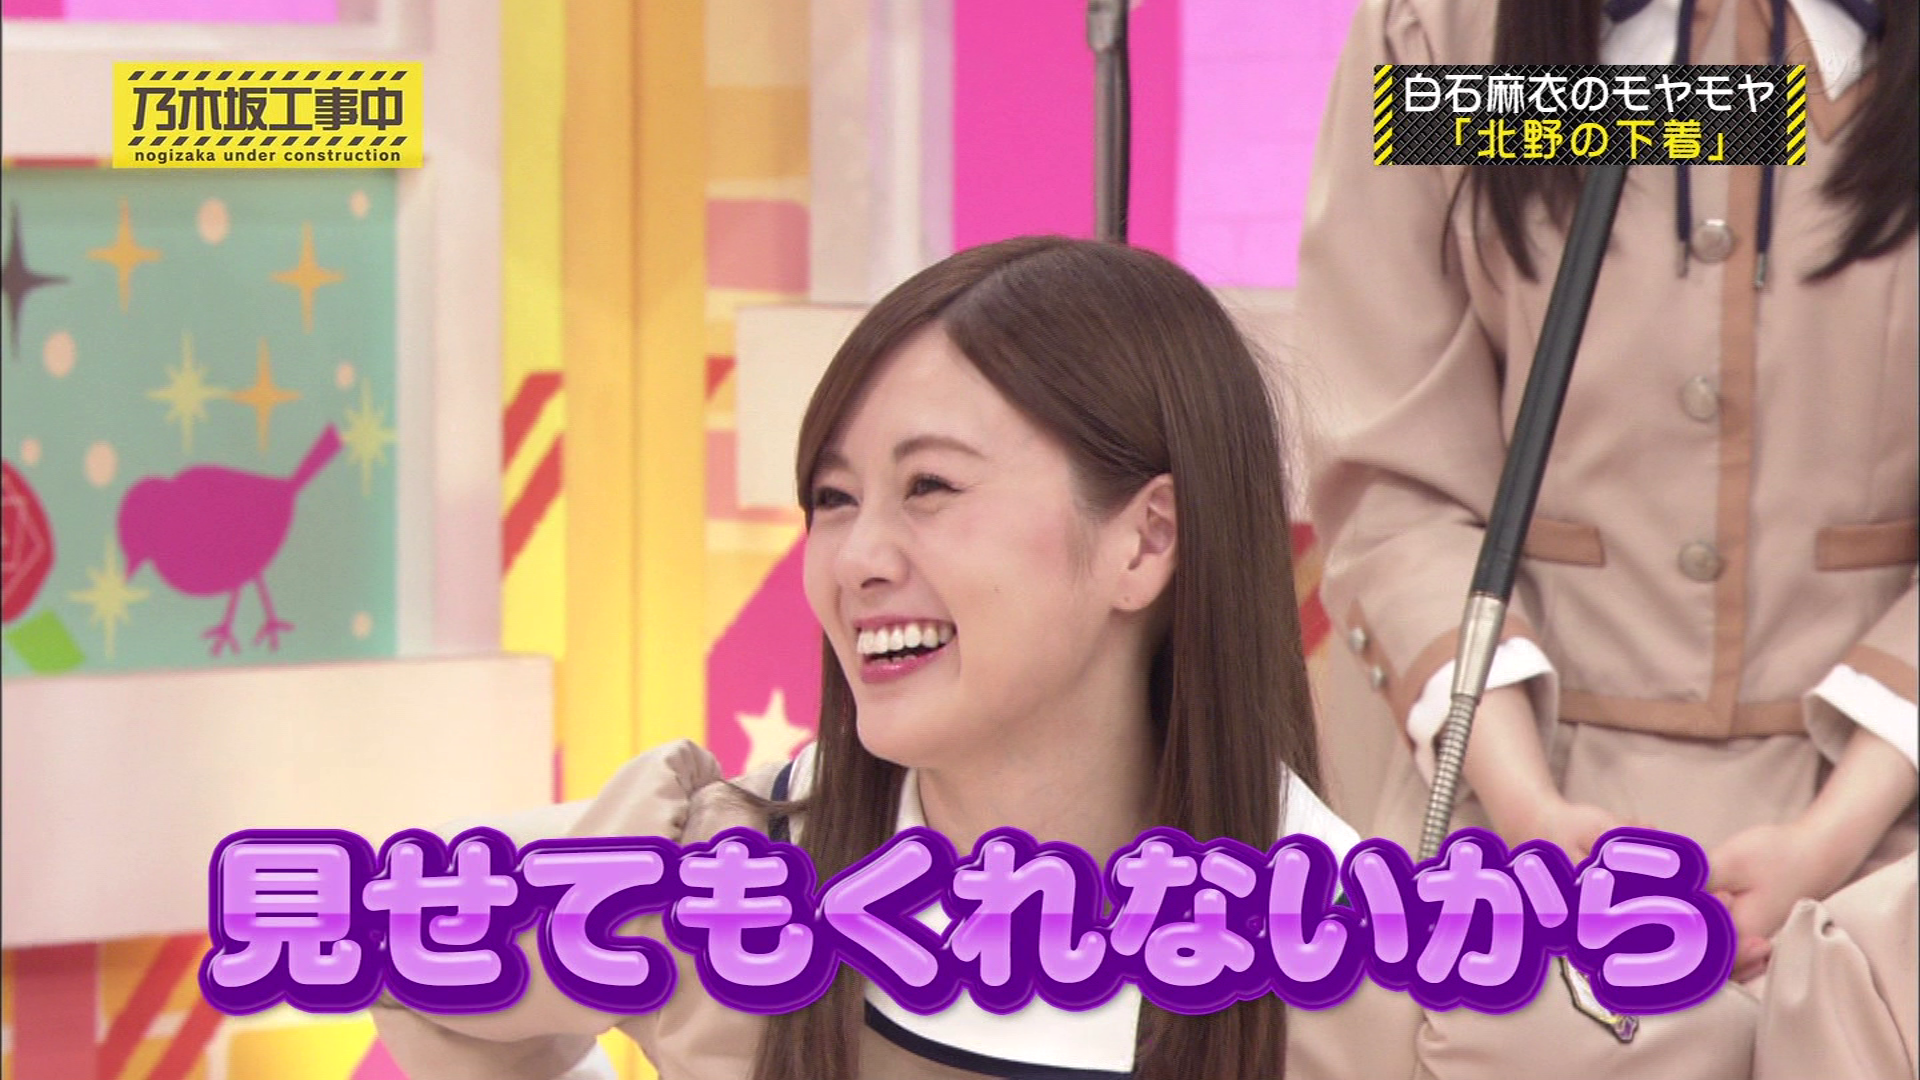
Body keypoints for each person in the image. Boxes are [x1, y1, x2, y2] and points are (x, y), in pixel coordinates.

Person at [371, 236, 1420, 1079]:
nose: (856, 559)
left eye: (930, 488)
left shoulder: (1374, 987)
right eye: (833, 499)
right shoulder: (722, 882)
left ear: (1145, 541)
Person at [1297, 0, 1917, 1073]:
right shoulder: (1441, 32)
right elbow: (1393, 479)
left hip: (1890, 820)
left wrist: (1834, 838)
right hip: (1515, 797)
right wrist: (1527, 805)